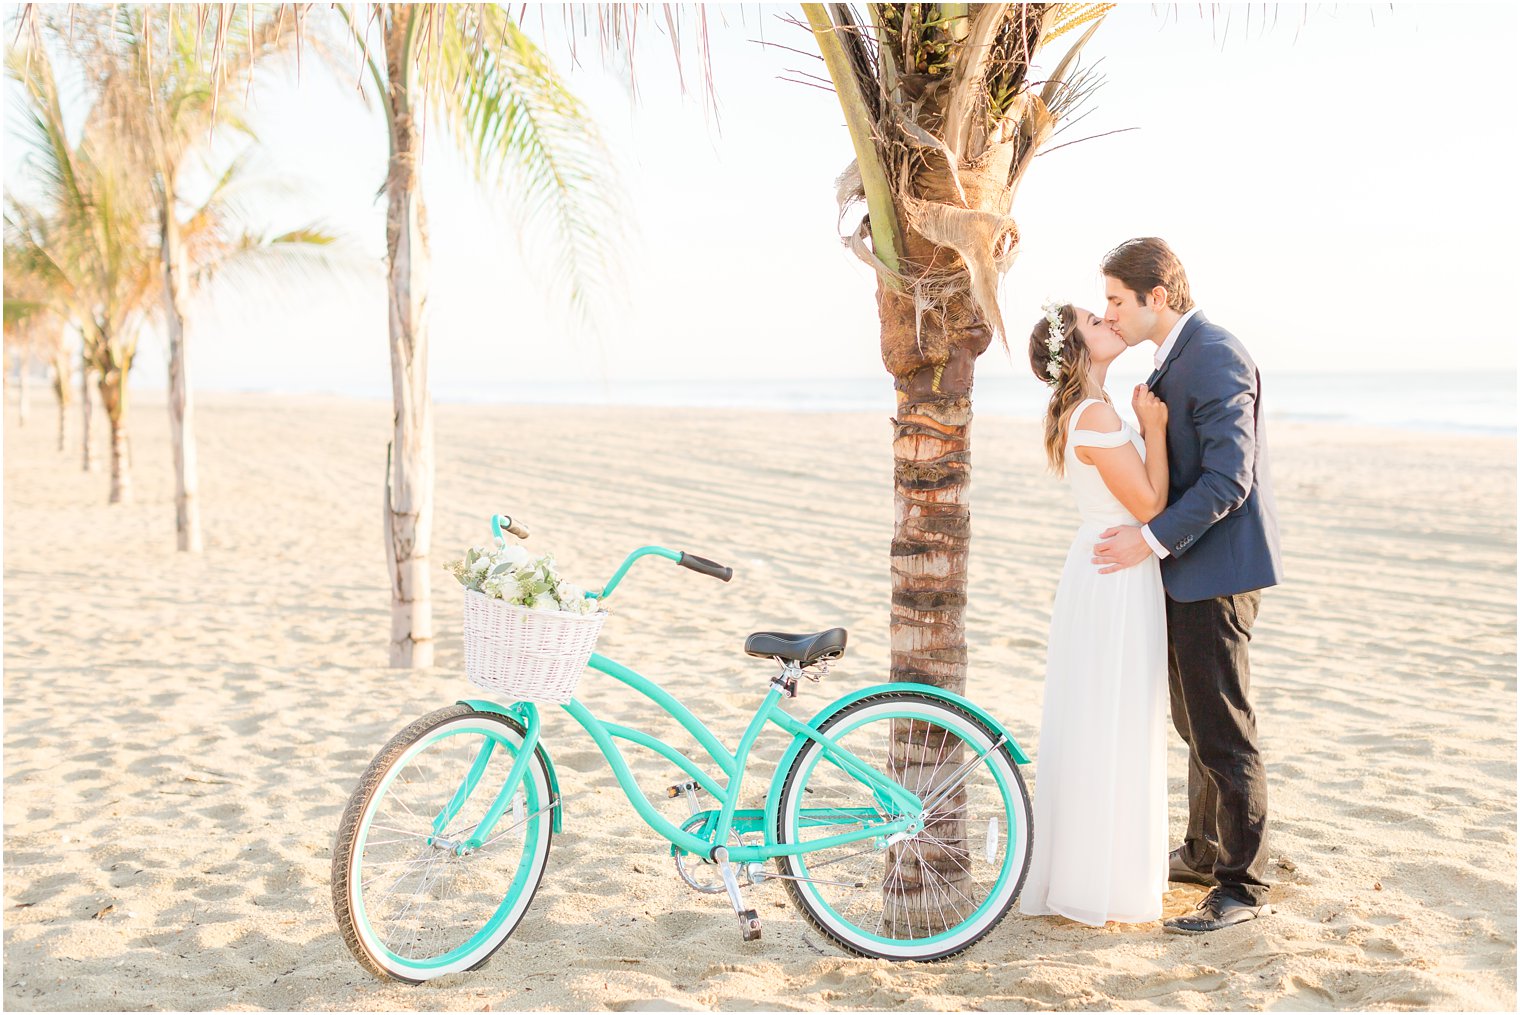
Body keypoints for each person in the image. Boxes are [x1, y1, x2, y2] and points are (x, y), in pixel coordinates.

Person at [1092, 237, 1283, 934]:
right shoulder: (1173, 358)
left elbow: (1231, 479)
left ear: (1157, 297)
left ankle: (1242, 883)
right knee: (1194, 720)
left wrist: (1148, 539)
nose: (1109, 313)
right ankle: (1205, 850)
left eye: (1117, 300)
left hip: (1218, 571)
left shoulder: (1215, 354)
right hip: (1186, 571)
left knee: (1224, 728)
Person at [1017, 301, 1171, 926]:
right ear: (1077, 350)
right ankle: (1101, 878)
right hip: (1116, 572)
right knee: (1113, 714)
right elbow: (1152, 502)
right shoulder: (1098, 414)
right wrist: (1154, 428)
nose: (1107, 320)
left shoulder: (1084, 410)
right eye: (1093, 319)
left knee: (1102, 714)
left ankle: (1098, 866)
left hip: (1106, 565)